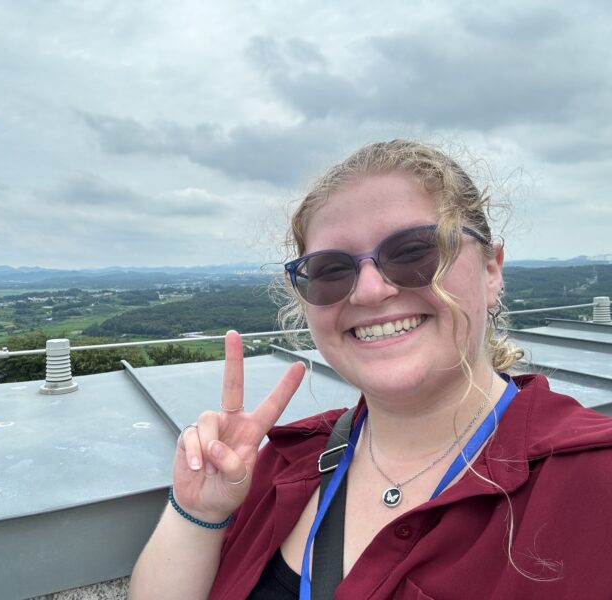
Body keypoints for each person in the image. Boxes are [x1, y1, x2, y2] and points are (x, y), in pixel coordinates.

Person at [129, 140, 612, 599]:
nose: (369, 291)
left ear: (491, 270)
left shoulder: (591, 479)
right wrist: (199, 512)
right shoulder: (278, 466)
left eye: (414, 252)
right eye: (331, 270)